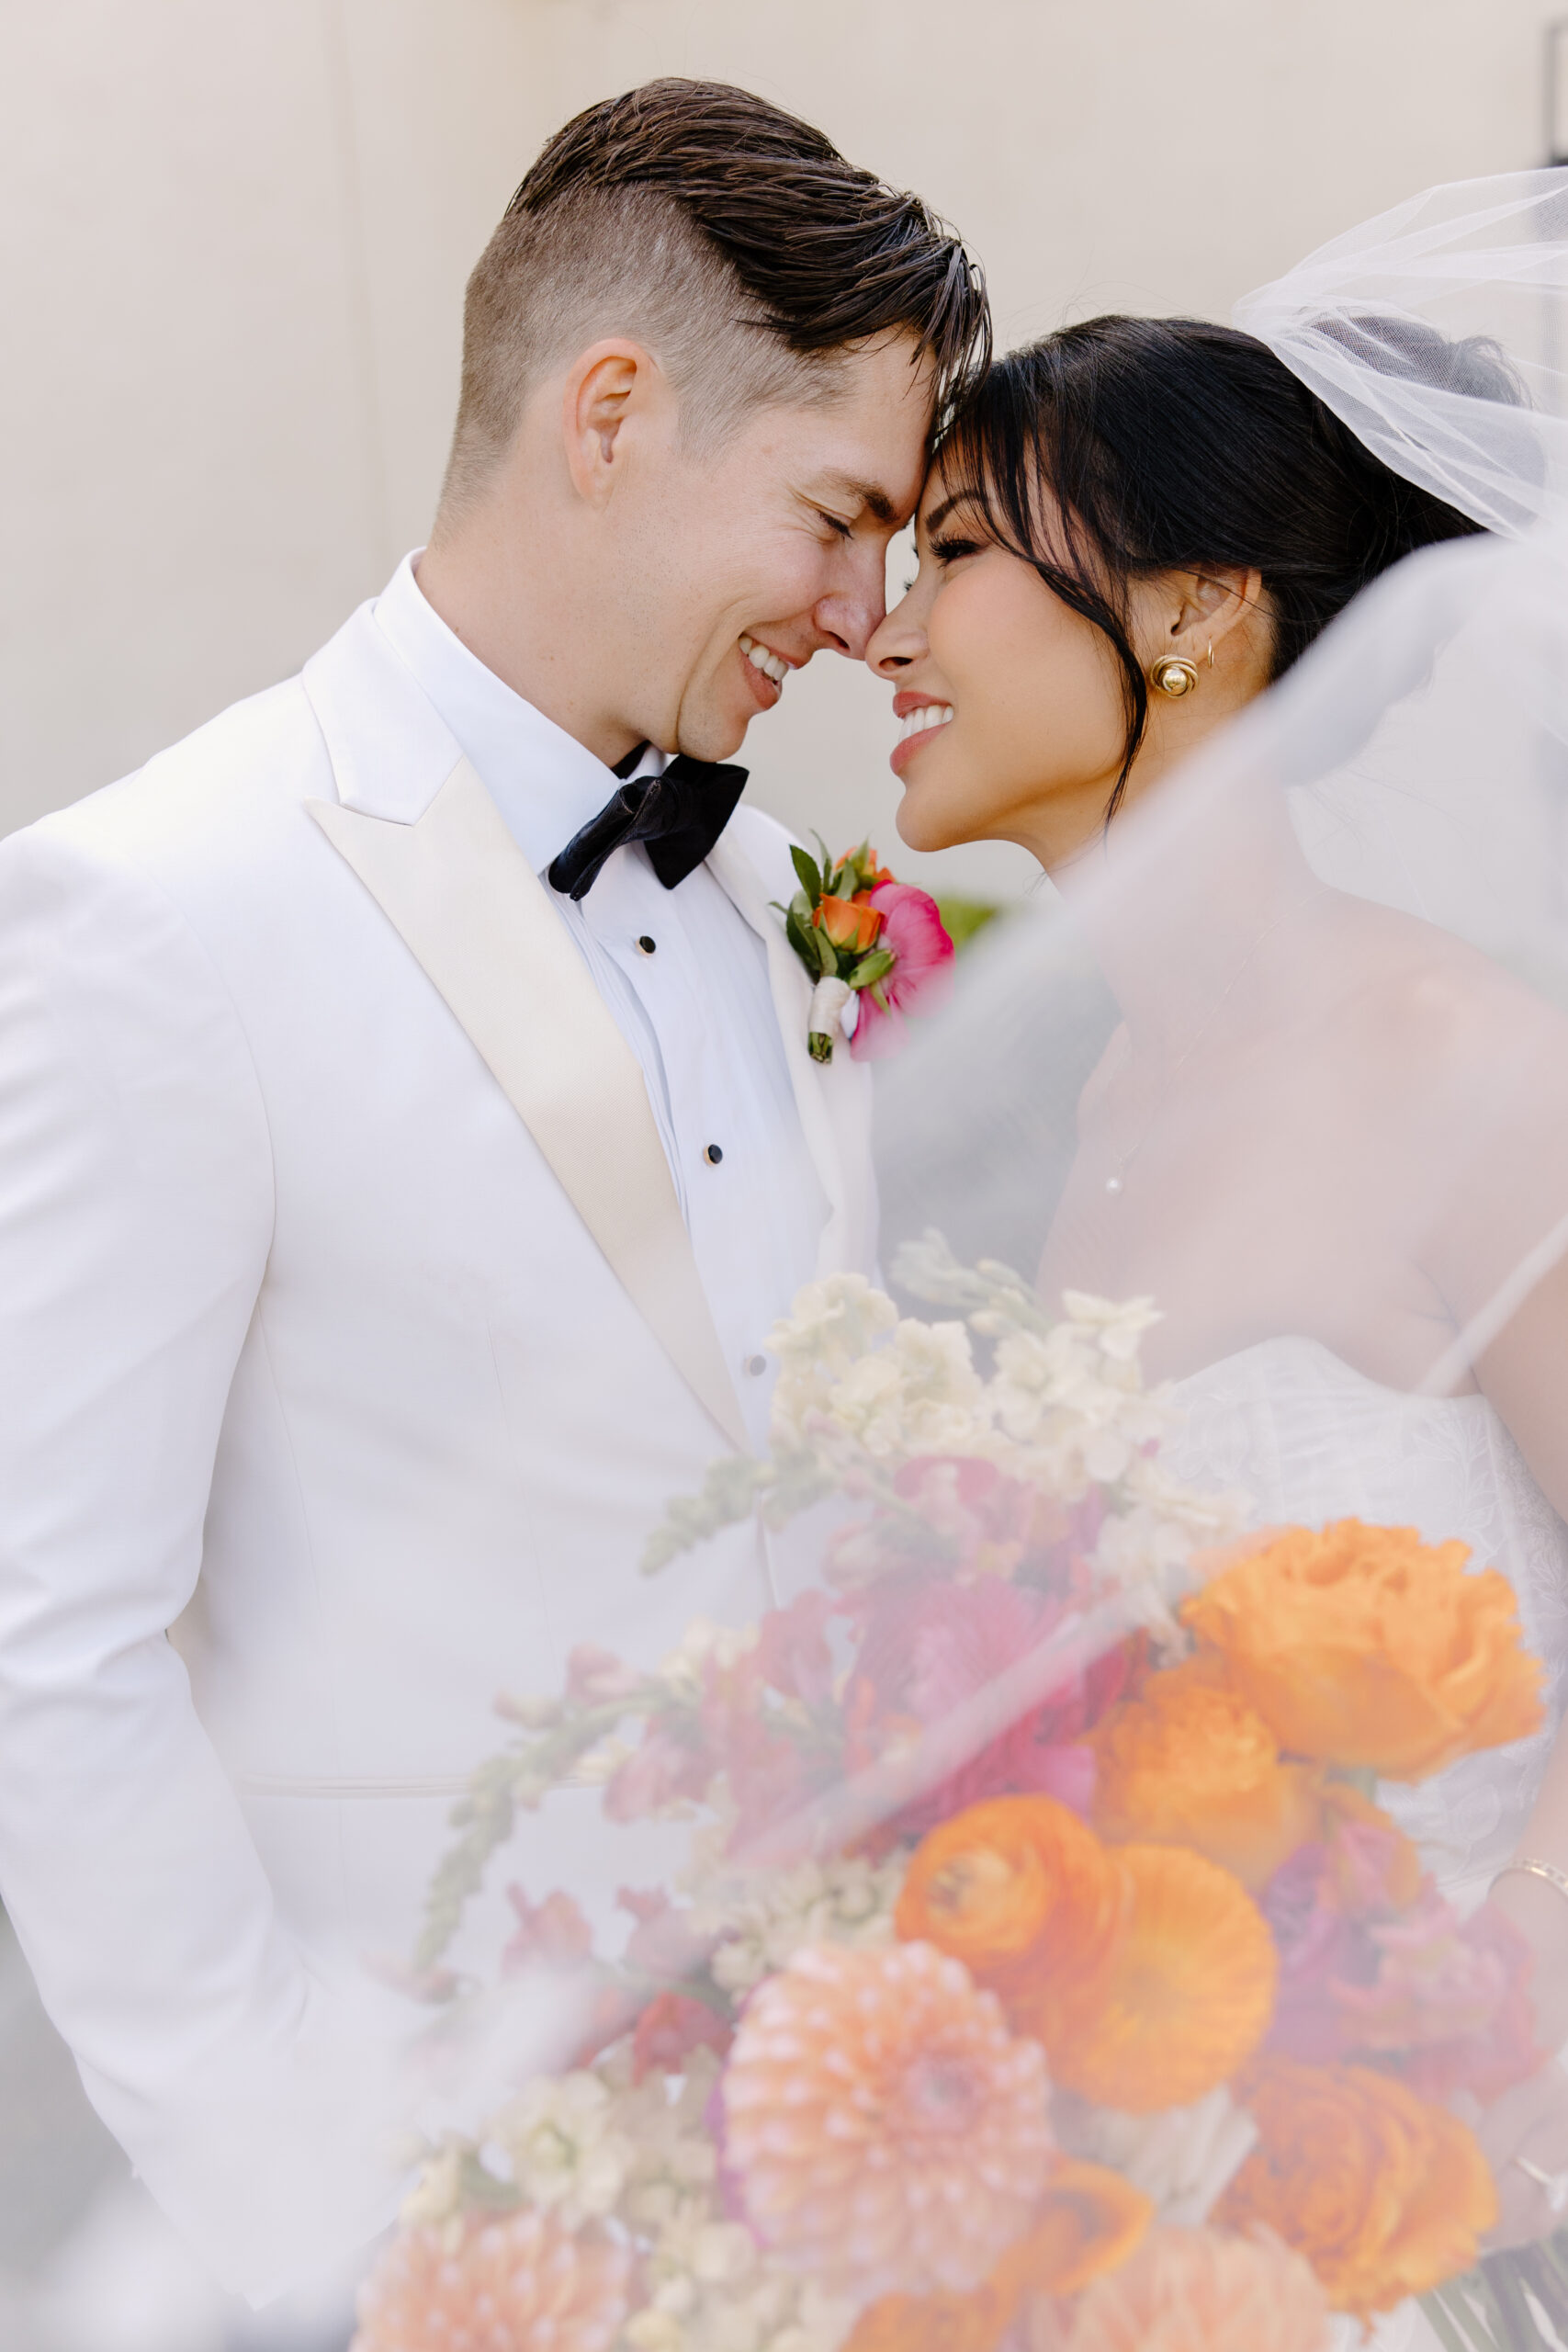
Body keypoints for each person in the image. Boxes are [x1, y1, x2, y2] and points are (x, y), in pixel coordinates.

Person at [0, 77, 987, 2297]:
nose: (859, 611)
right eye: (837, 514)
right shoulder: (159, 909)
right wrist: (317, 2195)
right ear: (609, 411)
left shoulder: (766, 889)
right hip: (422, 2205)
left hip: (812, 2162)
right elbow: (47, 1647)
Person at [867, 172, 1568, 2342]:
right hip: (1111, 2211)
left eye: (959, 554)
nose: (886, 628)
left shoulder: (1453, 1052)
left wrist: (1471, 2069)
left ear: (1190, 606)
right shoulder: (1048, 1119)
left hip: (1417, 2198)